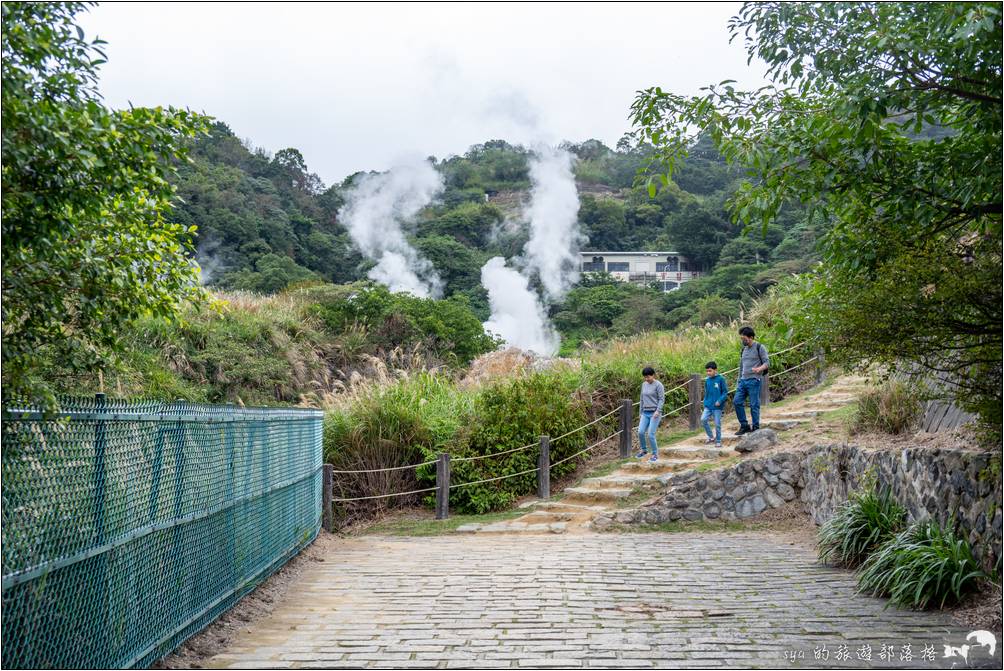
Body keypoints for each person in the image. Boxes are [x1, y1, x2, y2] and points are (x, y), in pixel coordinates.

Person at [734, 326, 769, 435]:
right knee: (737, 402)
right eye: (742, 339)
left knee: (754, 405)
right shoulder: (743, 350)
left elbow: (767, 363)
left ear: (751, 337)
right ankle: (744, 426)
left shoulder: (759, 347)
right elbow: (741, 367)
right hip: (743, 381)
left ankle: (755, 427)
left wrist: (759, 369)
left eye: (744, 338)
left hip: (754, 380)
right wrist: (738, 381)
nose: (743, 340)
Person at [635, 366, 664, 462]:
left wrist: (658, 411)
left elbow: (661, 399)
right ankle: (644, 450)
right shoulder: (644, 384)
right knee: (640, 432)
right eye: (645, 377)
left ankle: (655, 454)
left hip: (655, 413)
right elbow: (641, 399)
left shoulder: (658, 385)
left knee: (651, 434)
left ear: (653, 375)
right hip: (645, 412)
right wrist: (640, 412)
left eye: (648, 377)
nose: (646, 379)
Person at [701, 361, 728, 447]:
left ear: (715, 370)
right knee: (703, 419)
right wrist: (705, 402)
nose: (708, 373)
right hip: (708, 405)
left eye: (710, 371)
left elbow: (725, 392)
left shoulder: (721, 379)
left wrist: (719, 401)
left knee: (717, 424)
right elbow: (706, 392)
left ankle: (718, 440)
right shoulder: (707, 380)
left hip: (717, 407)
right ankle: (711, 437)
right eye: (707, 371)